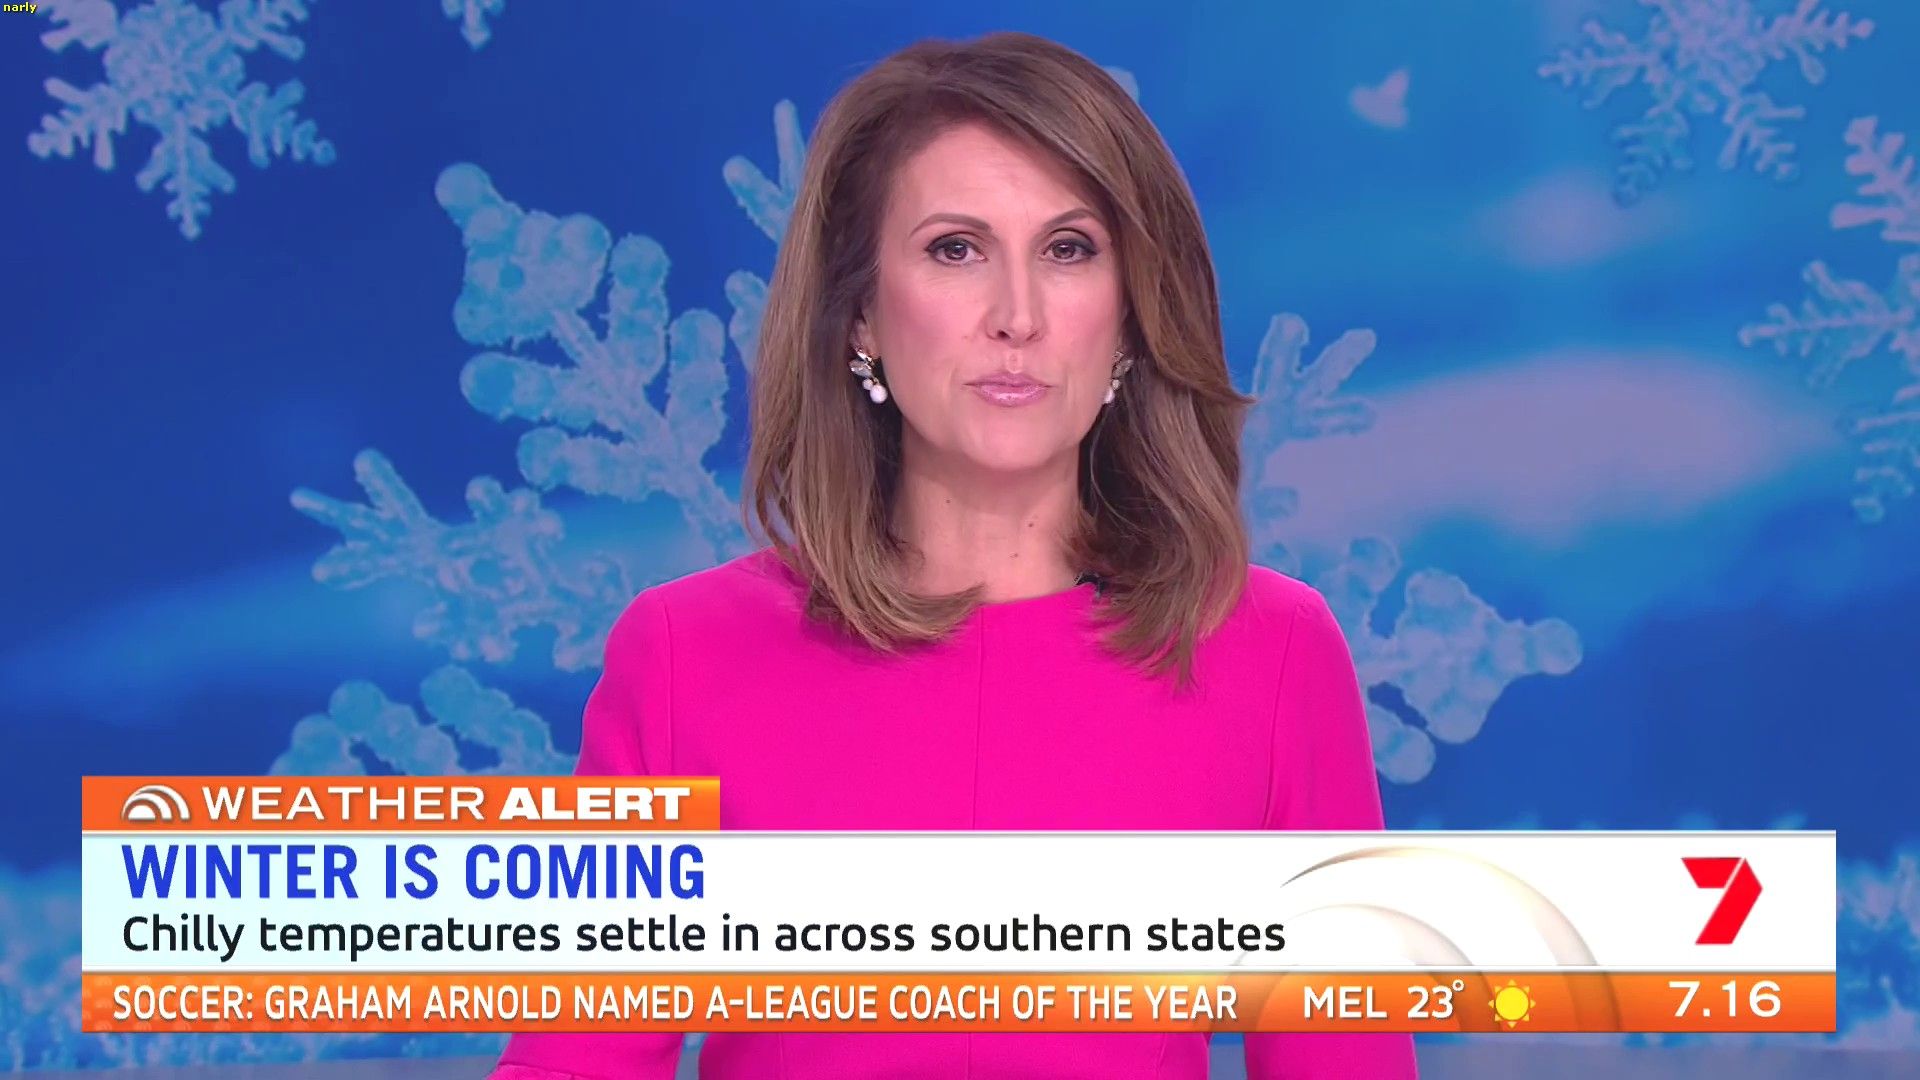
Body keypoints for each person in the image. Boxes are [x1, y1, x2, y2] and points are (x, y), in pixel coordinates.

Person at [491, 29, 1418, 1080]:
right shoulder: (683, 657)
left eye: (1068, 250)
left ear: (1127, 319)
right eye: (955, 250)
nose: (1016, 317)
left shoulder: (1271, 653)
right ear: (859, 316)